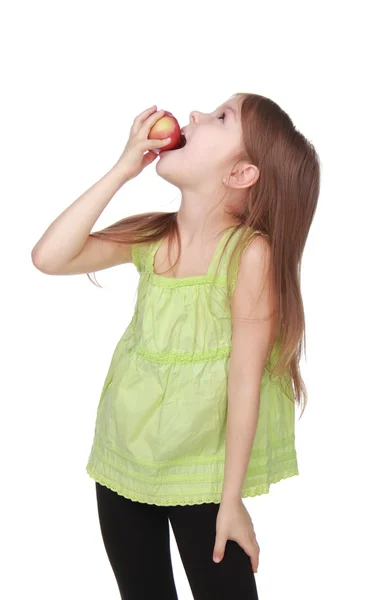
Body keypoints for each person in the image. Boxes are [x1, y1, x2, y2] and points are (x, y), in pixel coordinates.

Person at [31, 93, 320, 600]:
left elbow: (245, 379)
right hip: (125, 458)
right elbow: (48, 257)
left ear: (241, 174)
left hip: (203, 476)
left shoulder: (248, 254)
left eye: (220, 118)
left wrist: (231, 501)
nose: (193, 116)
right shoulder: (152, 236)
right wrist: (122, 169)